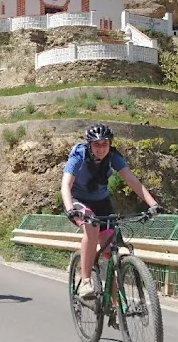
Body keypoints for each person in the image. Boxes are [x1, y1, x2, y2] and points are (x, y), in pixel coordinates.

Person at [62, 124, 162, 310]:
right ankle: (85, 281)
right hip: (79, 201)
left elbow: (132, 181)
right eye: (96, 145)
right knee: (91, 229)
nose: (101, 148)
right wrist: (70, 209)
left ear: (110, 144)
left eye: (104, 144)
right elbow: (66, 185)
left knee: (111, 251)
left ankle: (115, 306)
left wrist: (152, 204)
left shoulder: (113, 157)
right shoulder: (79, 156)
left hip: (101, 201)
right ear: (89, 145)